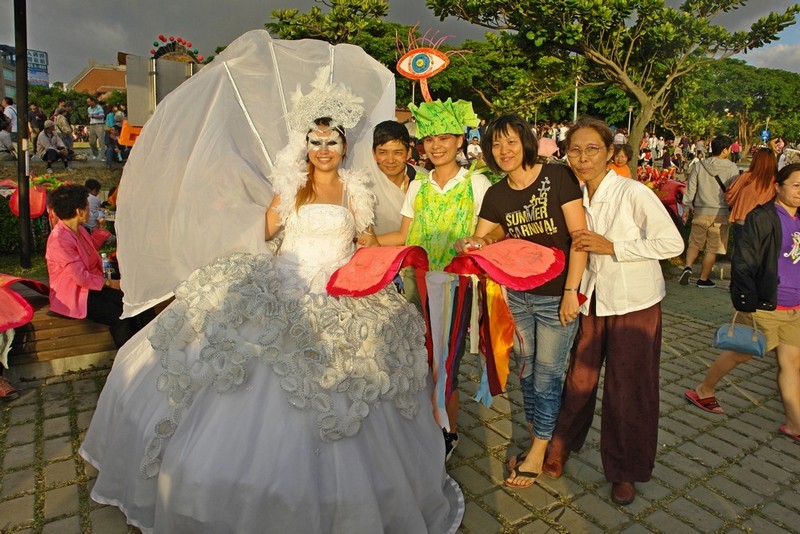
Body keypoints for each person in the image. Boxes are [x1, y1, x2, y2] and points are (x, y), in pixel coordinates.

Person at [78, 93, 464, 532]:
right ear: (305, 146)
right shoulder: (291, 187)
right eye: (316, 142)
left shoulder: (356, 190)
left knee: (357, 387)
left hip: (340, 292)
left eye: (332, 142)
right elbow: (262, 231)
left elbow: (366, 241)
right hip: (286, 285)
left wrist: (391, 259)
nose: (323, 151)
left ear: (344, 146)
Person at [541, 116, 684, 505]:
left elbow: (672, 243)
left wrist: (615, 247)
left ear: (609, 153)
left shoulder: (632, 192)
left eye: (592, 149)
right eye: (575, 150)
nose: (583, 157)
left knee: (628, 389)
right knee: (579, 378)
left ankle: (625, 470)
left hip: (634, 304)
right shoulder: (575, 195)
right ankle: (560, 446)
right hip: (592, 300)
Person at [454, 114, 587, 488]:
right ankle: (538, 436)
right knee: (527, 372)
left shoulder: (557, 177)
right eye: (496, 144)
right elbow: (481, 239)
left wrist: (570, 292)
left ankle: (539, 451)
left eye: (511, 141)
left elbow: (579, 238)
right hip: (517, 297)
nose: (504, 150)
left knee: (547, 375)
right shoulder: (497, 194)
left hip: (556, 298)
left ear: (526, 142)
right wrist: (469, 244)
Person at [360, 98, 491, 460]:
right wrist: (370, 241)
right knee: (420, 357)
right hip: (416, 284)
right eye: (429, 139)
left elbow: (491, 234)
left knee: (446, 362)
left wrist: (478, 242)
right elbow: (404, 235)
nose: (436, 146)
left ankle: (448, 432)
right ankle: (422, 429)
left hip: (457, 286)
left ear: (460, 141)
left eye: (444, 138)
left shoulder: (477, 184)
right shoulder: (418, 187)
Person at [685, 163, 800, 444]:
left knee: (791, 363)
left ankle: (794, 424)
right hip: (767, 304)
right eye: (796, 185)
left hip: (795, 307)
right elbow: (744, 261)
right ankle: (703, 389)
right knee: (742, 353)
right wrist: (745, 300)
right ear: (777, 187)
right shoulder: (762, 217)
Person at [45, 184, 147, 348]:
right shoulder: (59, 239)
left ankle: (144, 349)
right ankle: (128, 356)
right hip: (74, 294)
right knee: (119, 315)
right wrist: (111, 283)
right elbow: (80, 277)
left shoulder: (79, 230)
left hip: (91, 287)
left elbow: (88, 251)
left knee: (132, 303)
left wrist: (100, 230)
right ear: (79, 211)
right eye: (87, 206)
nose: (90, 210)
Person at [679, 135, 740, 288]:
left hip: (700, 211)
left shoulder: (699, 165)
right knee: (712, 248)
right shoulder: (732, 168)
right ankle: (703, 279)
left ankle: (688, 267)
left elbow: (690, 188)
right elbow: (734, 192)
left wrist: (686, 207)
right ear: (724, 150)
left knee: (695, 242)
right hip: (720, 212)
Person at [369, 120, 421, 234]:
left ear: (408, 152)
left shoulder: (424, 179)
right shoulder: (363, 185)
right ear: (374, 153)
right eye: (383, 153)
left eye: (398, 153)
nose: (390, 160)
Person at [725, 147, 777, 244]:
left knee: (741, 251)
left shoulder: (746, 177)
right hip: (765, 222)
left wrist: (737, 204)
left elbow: (729, 195)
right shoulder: (776, 182)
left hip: (742, 219)